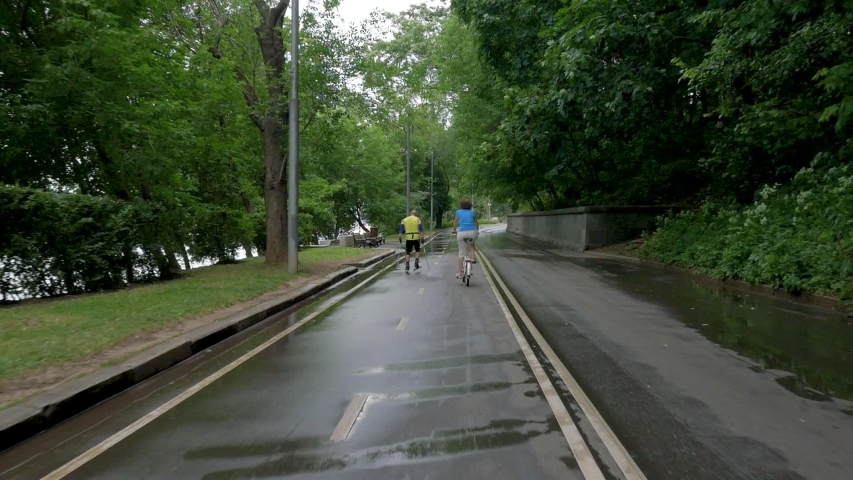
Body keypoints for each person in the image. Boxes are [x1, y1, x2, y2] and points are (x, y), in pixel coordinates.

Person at [453, 199, 479, 278]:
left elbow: (455, 222)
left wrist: (454, 230)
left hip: (462, 233)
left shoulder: (458, 212)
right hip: (473, 232)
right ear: (470, 205)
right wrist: (477, 230)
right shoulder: (473, 213)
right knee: (471, 243)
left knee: (461, 253)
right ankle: (472, 258)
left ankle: (460, 273)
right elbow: (476, 223)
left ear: (461, 205)